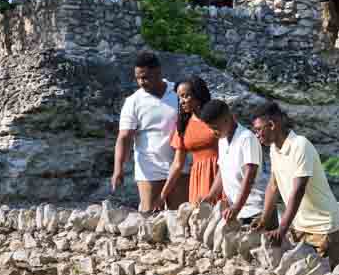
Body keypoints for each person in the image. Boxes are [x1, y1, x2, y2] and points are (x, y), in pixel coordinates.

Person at [253, 102, 339, 266]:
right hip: (299, 227)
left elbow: (298, 190)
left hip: (322, 229)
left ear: (272, 125)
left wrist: (282, 228)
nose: (257, 135)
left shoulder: (300, 145)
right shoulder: (275, 149)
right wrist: (263, 219)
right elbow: (273, 185)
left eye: (259, 129)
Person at [112, 51, 178, 211]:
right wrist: (118, 169)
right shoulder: (133, 101)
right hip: (149, 168)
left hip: (180, 165)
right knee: (149, 215)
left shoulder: (178, 92)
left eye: (146, 77)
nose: (141, 82)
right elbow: (124, 137)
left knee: (179, 215)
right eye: (138, 78)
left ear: (158, 72)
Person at [198, 98, 267, 223]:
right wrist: (211, 196)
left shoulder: (247, 139)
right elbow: (222, 171)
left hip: (254, 210)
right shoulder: (222, 140)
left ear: (227, 119)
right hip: (236, 209)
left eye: (215, 127)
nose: (213, 132)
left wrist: (236, 207)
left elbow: (249, 176)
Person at [157, 77, 216, 212]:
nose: (182, 101)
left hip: (220, 174)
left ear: (198, 95)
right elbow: (177, 164)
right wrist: (162, 195)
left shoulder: (217, 116)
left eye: (186, 96)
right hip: (198, 178)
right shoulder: (183, 124)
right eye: (179, 98)